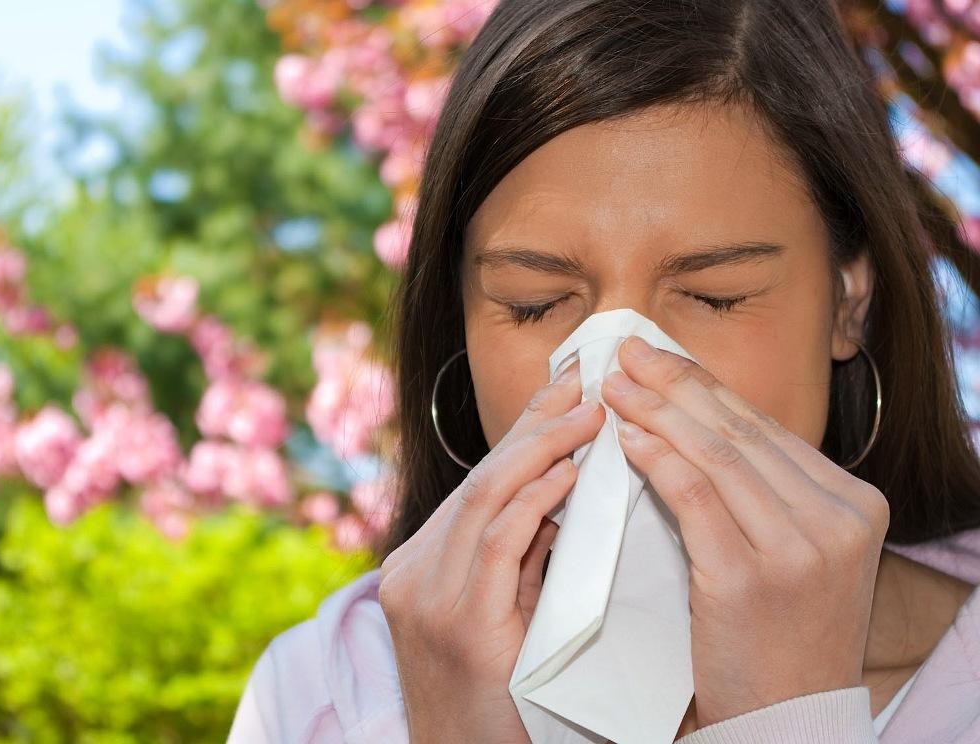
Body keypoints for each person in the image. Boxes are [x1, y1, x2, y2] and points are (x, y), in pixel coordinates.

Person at [227, 0, 980, 741]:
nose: (619, 369)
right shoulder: (322, 695)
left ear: (847, 300)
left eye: (716, 298)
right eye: (535, 304)